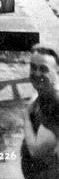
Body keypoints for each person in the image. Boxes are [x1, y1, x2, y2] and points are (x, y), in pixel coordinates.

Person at [21, 45, 59, 178]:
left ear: (57, 72)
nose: (36, 73)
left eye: (43, 69)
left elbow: (36, 150)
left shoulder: (55, 102)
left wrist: (26, 117)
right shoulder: (42, 95)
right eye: (33, 67)